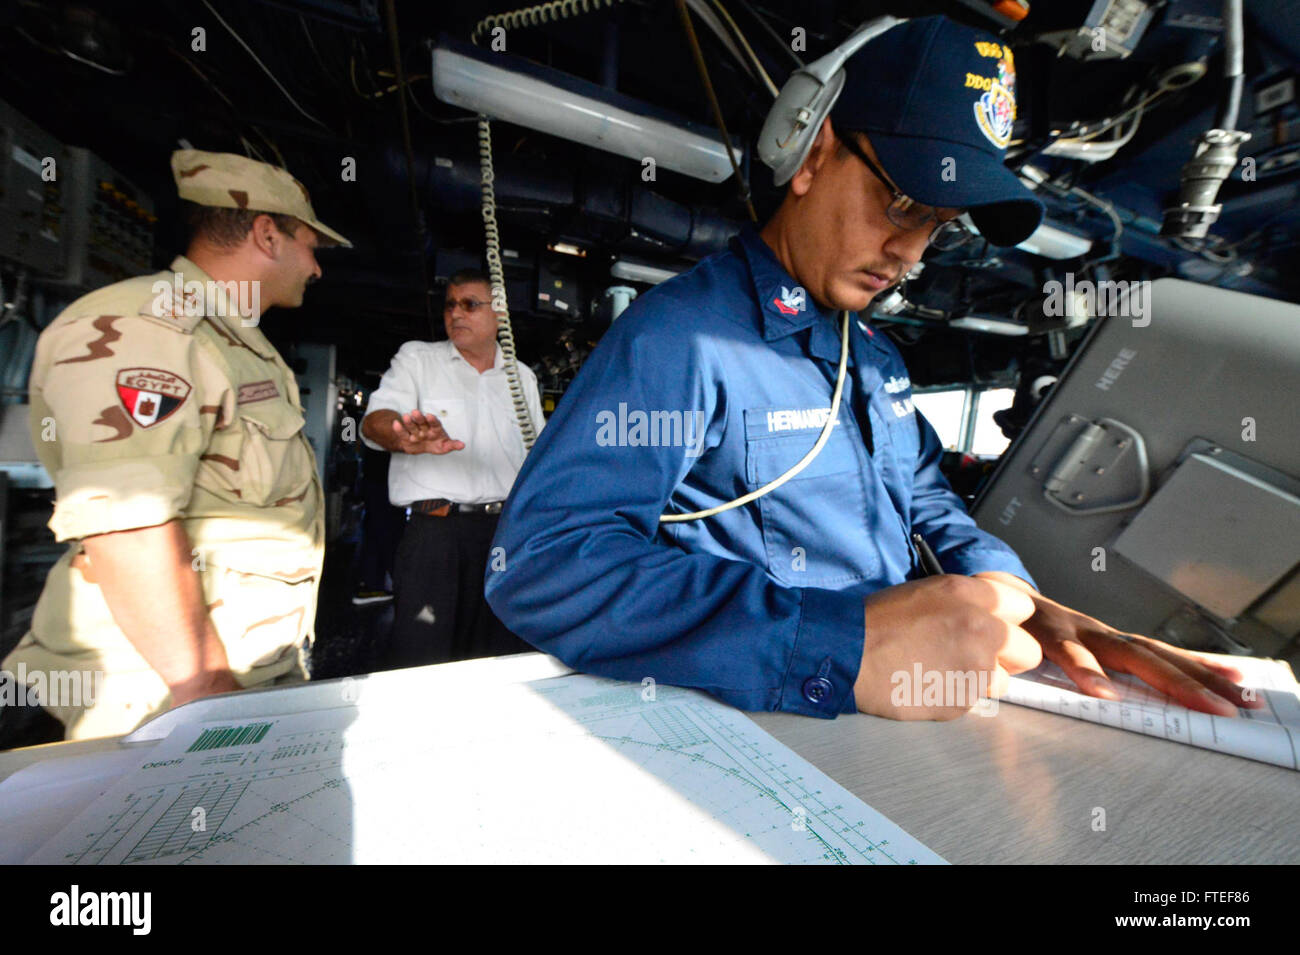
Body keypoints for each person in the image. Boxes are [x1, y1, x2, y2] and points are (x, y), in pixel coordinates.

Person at [484, 17, 1259, 721]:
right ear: (813, 154)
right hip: (770, 718)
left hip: (896, 715)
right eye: (901, 204)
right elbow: (543, 564)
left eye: (939, 228)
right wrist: (841, 639)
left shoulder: (873, 354)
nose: (913, 253)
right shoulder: (684, 341)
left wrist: (1019, 597)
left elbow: (923, 493)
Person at [0, 149, 350, 743]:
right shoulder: (150, 327)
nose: (316, 268)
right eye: (311, 246)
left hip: (231, 677)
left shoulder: (235, 341)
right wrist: (205, 691)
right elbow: (127, 524)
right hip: (157, 693)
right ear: (267, 234)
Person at [360, 269, 543, 668]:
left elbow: (537, 457)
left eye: (469, 304)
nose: (456, 314)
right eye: (450, 304)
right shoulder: (418, 359)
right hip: (436, 535)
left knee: (497, 653)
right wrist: (400, 433)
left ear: (499, 314)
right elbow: (375, 420)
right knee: (423, 655)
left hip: (503, 536)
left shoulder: (522, 377)